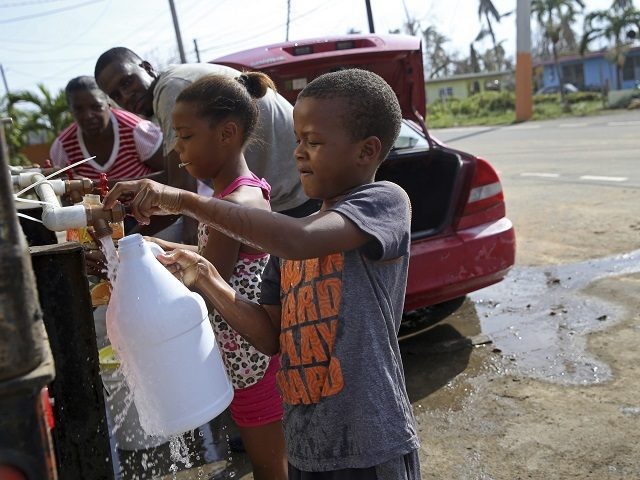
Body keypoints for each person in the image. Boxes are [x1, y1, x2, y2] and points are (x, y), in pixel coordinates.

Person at [103, 68, 421, 479]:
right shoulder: (288, 243)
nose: (299, 152)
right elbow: (271, 337)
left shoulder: (382, 203)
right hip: (308, 446)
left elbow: (300, 240)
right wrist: (204, 276)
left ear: (366, 151)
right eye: (298, 139)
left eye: (315, 141)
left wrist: (182, 200)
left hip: (370, 445)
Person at [142, 72, 288, 480]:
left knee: (268, 465)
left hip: (252, 357)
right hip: (246, 351)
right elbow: (206, 259)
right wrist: (155, 251)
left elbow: (207, 279)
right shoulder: (236, 194)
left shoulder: (235, 206)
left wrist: (144, 273)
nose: (176, 147)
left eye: (185, 136)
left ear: (226, 134)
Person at [94, 47, 318, 221]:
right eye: (116, 94)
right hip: (293, 187)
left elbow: (180, 182)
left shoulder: (171, 89)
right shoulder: (172, 84)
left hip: (297, 191)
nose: (126, 95)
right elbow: (179, 178)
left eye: (127, 81)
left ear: (147, 67)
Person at [50, 75, 164, 185]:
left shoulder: (136, 130)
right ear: (71, 112)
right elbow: (66, 194)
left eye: (96, 107)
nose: (88, 115)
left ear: (108, 104)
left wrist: (95, 187)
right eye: (79, 109)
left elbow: (170, 174)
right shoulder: (63, 147)